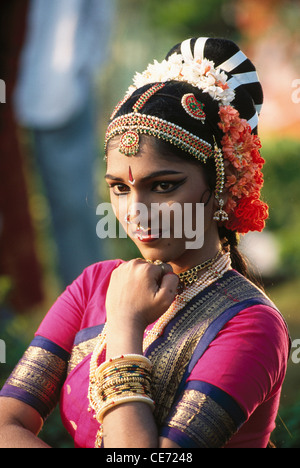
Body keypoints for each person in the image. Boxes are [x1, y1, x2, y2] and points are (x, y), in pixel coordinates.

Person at [0, 37, 290, 449]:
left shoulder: (250, 325)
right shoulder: (93, 286)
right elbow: (5, 423)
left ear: (222, 186)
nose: (136, 211)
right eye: (119, 188)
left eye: (163, 186)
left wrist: (124, 326)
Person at [13, 0, 115, 287]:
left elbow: (98, 15)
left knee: (73, 207)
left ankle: (89, 310)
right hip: (26, 76)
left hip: (58, 84)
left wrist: (84, 66)